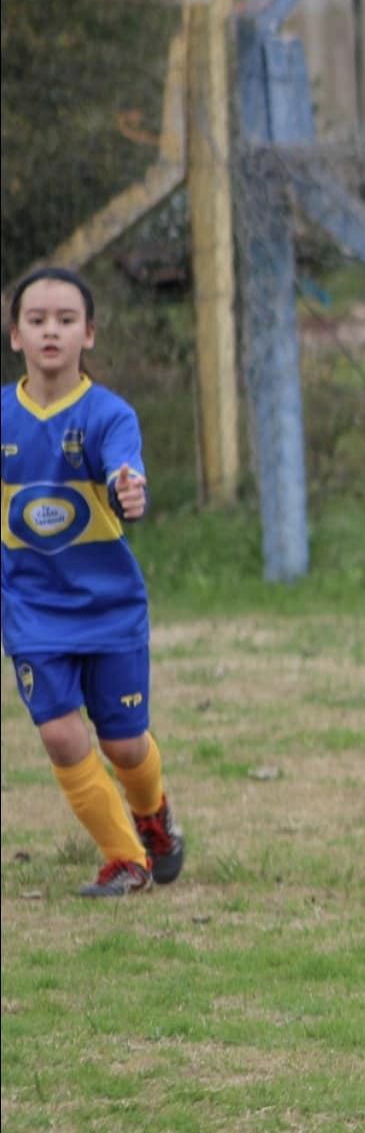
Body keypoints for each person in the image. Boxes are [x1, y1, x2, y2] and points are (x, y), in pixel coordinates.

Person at [3, 268, 183, 897]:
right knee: (58, 732)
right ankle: (124, 859)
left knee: (125, 744)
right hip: (30, 605)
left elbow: (124, 469)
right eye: (36, 320)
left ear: (90, 334)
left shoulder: (109, 414)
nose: (51, 330)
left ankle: (153, 816)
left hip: (108, 605)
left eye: (66, 319)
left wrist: (129, 489)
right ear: (15, 336)